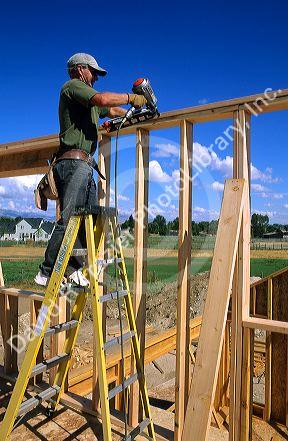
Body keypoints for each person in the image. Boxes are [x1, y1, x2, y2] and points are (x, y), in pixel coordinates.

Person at [34, 53, 147, 287]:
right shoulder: (73, 87)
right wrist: (131, 97)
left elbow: (111, 110)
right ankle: (45, 271)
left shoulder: (88, 104)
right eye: (93, 72)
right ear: (79, 69)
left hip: (85, 166)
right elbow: (104, 100)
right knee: (68, 220)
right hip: (72, 164)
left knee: (90, 219)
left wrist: (136, 112)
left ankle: (74, 268)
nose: (95, 77)